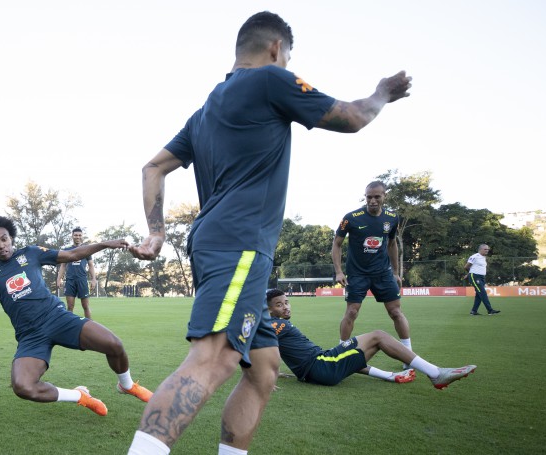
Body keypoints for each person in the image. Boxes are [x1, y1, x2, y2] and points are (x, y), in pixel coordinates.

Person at [127, 11, 413, 455]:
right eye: (288, 56)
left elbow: (154, 167)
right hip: (239, 244)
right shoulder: (269, 81)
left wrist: (157, 231)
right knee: (216, 355)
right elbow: (354, 117)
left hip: (217, 244)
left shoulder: (206, 110)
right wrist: (383, 93)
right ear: (277, 49)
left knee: (263, 369)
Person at [0, 215, 153, 416]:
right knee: (23, 387)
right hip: (30, 335)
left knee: (114, 344)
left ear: (11, 237)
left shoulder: (30, 253)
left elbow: (72, 255)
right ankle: (79, 396)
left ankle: (126, 385)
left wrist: (105, 243)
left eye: (4, 239)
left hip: (57, 318)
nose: (1, 245)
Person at [266, 288, 476, 388]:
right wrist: (269, 375)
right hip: (321, 366)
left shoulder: (276, 324)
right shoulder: (276, 324)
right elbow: (265, 347)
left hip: (320, 368)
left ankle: (392, 376)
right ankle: (435, 373)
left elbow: (265, 346)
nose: (285, 306)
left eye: (286, 302)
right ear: (268, 309)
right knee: (378, 336)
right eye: (279, 304)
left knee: (355, 353)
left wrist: (275, 372)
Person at [332, 181, 413, 357]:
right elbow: (336, 244)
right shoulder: (351, 218)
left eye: (377, 196)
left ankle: (408, 354)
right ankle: (341, 353)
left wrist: (396, 272)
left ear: (385, 196)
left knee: (396, 312)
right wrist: (339, 271)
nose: (373, 200)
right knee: (351, 312)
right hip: (357, 273)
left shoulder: (392, 218)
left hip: (382, 273)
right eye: (369, 197)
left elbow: (392, 244)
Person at [56, 227, 97, 319]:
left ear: (82, 236)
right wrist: (59, 279)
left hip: (82, 280)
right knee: (70, 307)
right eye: (75, 235)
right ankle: (69, 328)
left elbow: (91, 265)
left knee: (85, 306)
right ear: (72, 236)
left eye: (79, 235)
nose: (77, 237)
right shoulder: (67, 250)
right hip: (70, 281)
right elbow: (63, 266)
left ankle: (90, 327)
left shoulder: (86, 249)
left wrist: (94, 279)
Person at [464, 244, 501, 315]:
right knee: (483, 293)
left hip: (481, 277)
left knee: (479, 294)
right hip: (475, 277)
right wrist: (469, 274)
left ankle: (474, 311)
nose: (487, 251)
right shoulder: (474, 257)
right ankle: (490, 310)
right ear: (480, 249)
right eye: (485, 249)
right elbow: (466, 267)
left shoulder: (483, 257)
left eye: (487, 249)